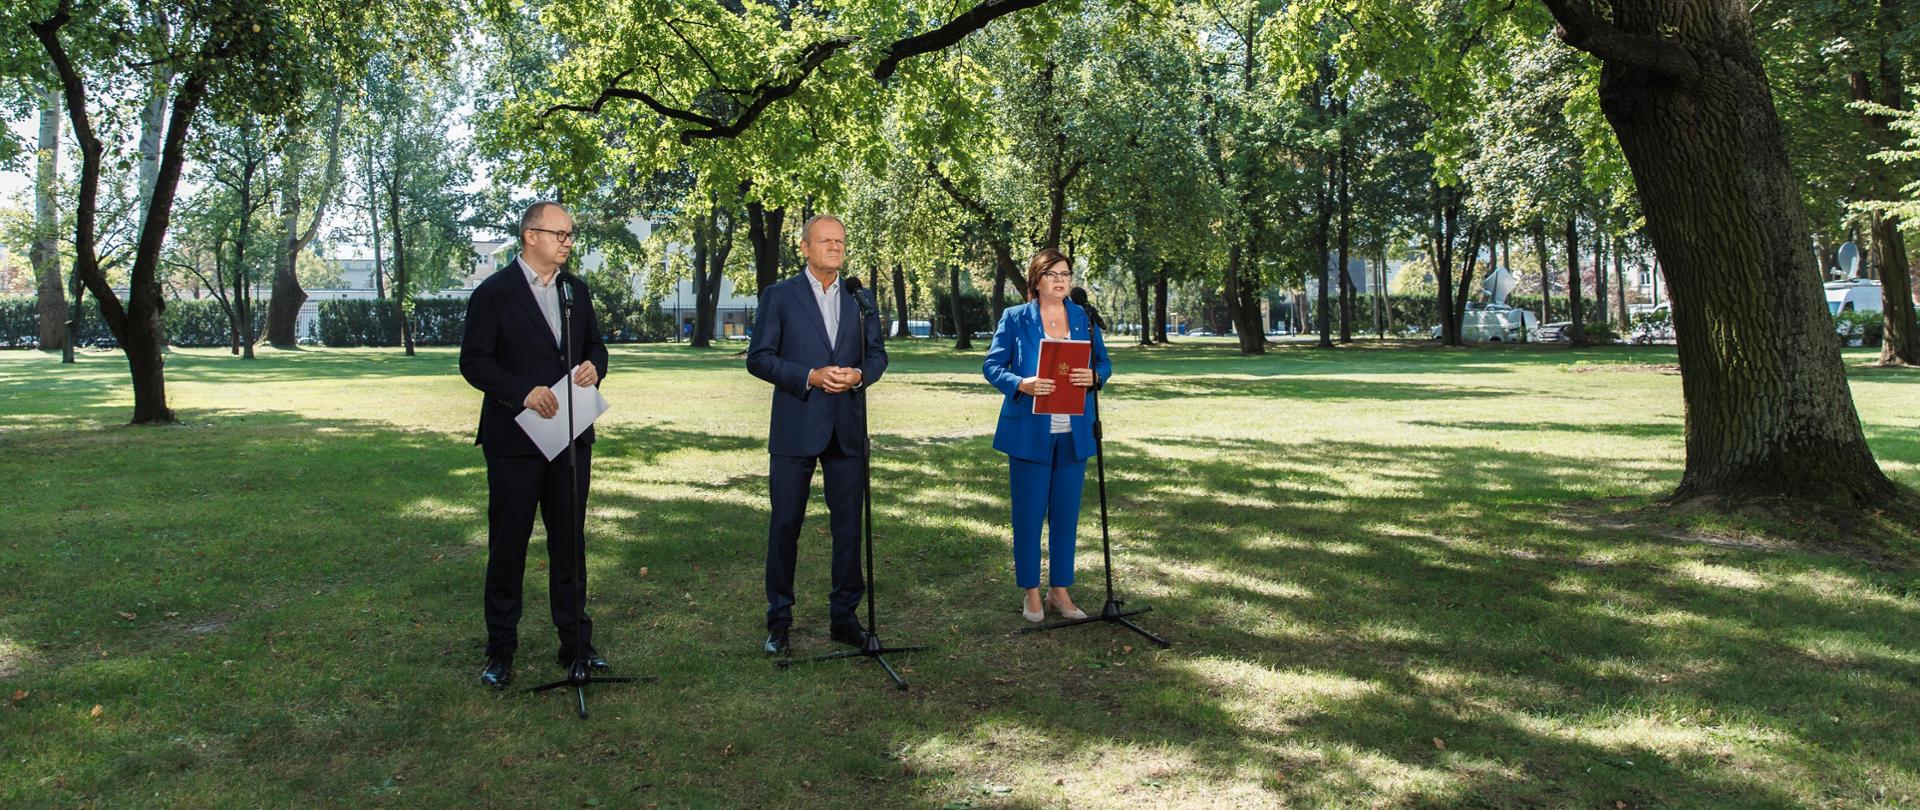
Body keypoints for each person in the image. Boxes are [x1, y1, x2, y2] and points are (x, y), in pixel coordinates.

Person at [458, 201, 610, 688]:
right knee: (509, 546)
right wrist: (521, 392)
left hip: (571, 436)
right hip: (514, 440)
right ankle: (500, 649)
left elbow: (596, 346)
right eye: (559, 234)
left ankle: (576, 646)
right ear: (530, 236)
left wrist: (594, 367)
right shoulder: (493, 294)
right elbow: (474, 362)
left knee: (570, 543)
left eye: (570, 235)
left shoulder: (575, 292)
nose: (567, 242)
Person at [745, 215, 887, 655]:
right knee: (785, 525)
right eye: (825, 241)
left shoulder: (859, 298)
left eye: (840, 242)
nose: (835, 248)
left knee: (849, 529)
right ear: (803, 247)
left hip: (847, 428)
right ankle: (779, 620)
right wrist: (809, 375)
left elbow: (879, 354)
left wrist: (859, 376)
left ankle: (844, 616)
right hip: (796, 427)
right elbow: (760, 358)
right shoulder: (780, 296)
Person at [982, 248, 1111, 623]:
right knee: (1028, 514)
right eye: (1052, 274)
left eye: (1066, 274)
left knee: (1066, 515)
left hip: (1074, 433)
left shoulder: (1082, 318)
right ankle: (1032, 593)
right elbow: (991, 365)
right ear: (1036, 280)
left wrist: (1096, 377)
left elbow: (1102, 361)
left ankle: (1060, 591)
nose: (1060, 280)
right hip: (1029, 433)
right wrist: (1021, 382)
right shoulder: (1015, 318)